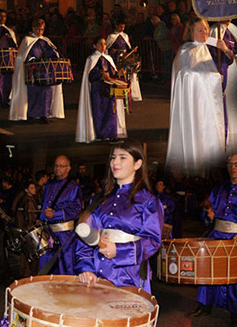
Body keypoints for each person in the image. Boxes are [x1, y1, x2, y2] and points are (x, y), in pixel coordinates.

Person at [75, 139, 164, 294]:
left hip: (130, 275)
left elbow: (152, 240)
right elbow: (85, 237)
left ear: (137, 164)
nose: (115, 162)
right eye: (113, 157)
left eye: (122, 157)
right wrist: (86, 268)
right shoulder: (99, 199)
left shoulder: (148, 201)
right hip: (97, 274)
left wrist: (120, 251)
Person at [165, 16, 234, 176]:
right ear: (191, 32)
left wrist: (224, 49)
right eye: (200, 30)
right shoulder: (186, 50)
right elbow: (185, 74)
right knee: (198, 135)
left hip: (212, 102)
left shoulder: (209, 47)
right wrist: (212, 77)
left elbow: (229, 59)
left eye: (205, 29)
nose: (204, 32)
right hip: (194, 104)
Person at [188, 154, 237, 327]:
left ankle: (236, 314)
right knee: (208, 273)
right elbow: (209, 211)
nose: (233, 167)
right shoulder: (219, 188)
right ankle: (204, 305)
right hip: (216, 236)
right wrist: (209, 215)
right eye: (230, 164)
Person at [9, 18, 64, 122]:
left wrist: (55, 56)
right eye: (38, 29)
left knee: (47, 93)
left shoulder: (46, 40)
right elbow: (22, 56)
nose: (40, 31)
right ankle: (32, 114)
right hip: (33, 72)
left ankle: (45, 114)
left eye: (42, 29)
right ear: (33, 28)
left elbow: (53, 53)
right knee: (33, 93)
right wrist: (33, 59)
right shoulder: (27, 40)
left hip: (46, 72)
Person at [210, 20, 237, 161]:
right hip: (221, 69)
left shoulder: (233, 28)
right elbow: (211, 52)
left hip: (232, 70)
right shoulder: (214, 30)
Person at [75, 36, 127, 143]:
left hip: (109, 88)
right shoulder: (91, 59)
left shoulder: (109, 58)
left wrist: (119, 73)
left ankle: (112, 134)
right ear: (94, 46)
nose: (103, 46)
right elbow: (90, 76)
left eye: (104, 44)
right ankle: (100, 134)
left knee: (111, 111)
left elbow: (113, 73)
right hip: (97, 90)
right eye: (100, 44)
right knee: (99, 112)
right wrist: (100, 74)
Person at [39, 155, 82, 274]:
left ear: (68, 168)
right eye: (56, 166)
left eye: (61, 166)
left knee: (65, 266)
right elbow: (45, 205)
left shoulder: (73, 187)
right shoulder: (49, 185)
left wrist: (56, 214)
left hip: (65, 234)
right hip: (48, 232)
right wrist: (42, 218)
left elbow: (76, 209)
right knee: (47, 266)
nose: (58, 169)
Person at [106, 19, 142, 101]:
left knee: (127, 75)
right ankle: (117, 91)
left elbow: (128, 48)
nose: (122, 29)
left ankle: (128, 93)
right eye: (121, 27)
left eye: (124, 27)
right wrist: (113, 50)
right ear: (116, 26)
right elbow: (107, 48)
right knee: (118, 75)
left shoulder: (125, 36)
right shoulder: (111, 36)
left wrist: (132, 50)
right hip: (116, 58)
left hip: (125, 58)